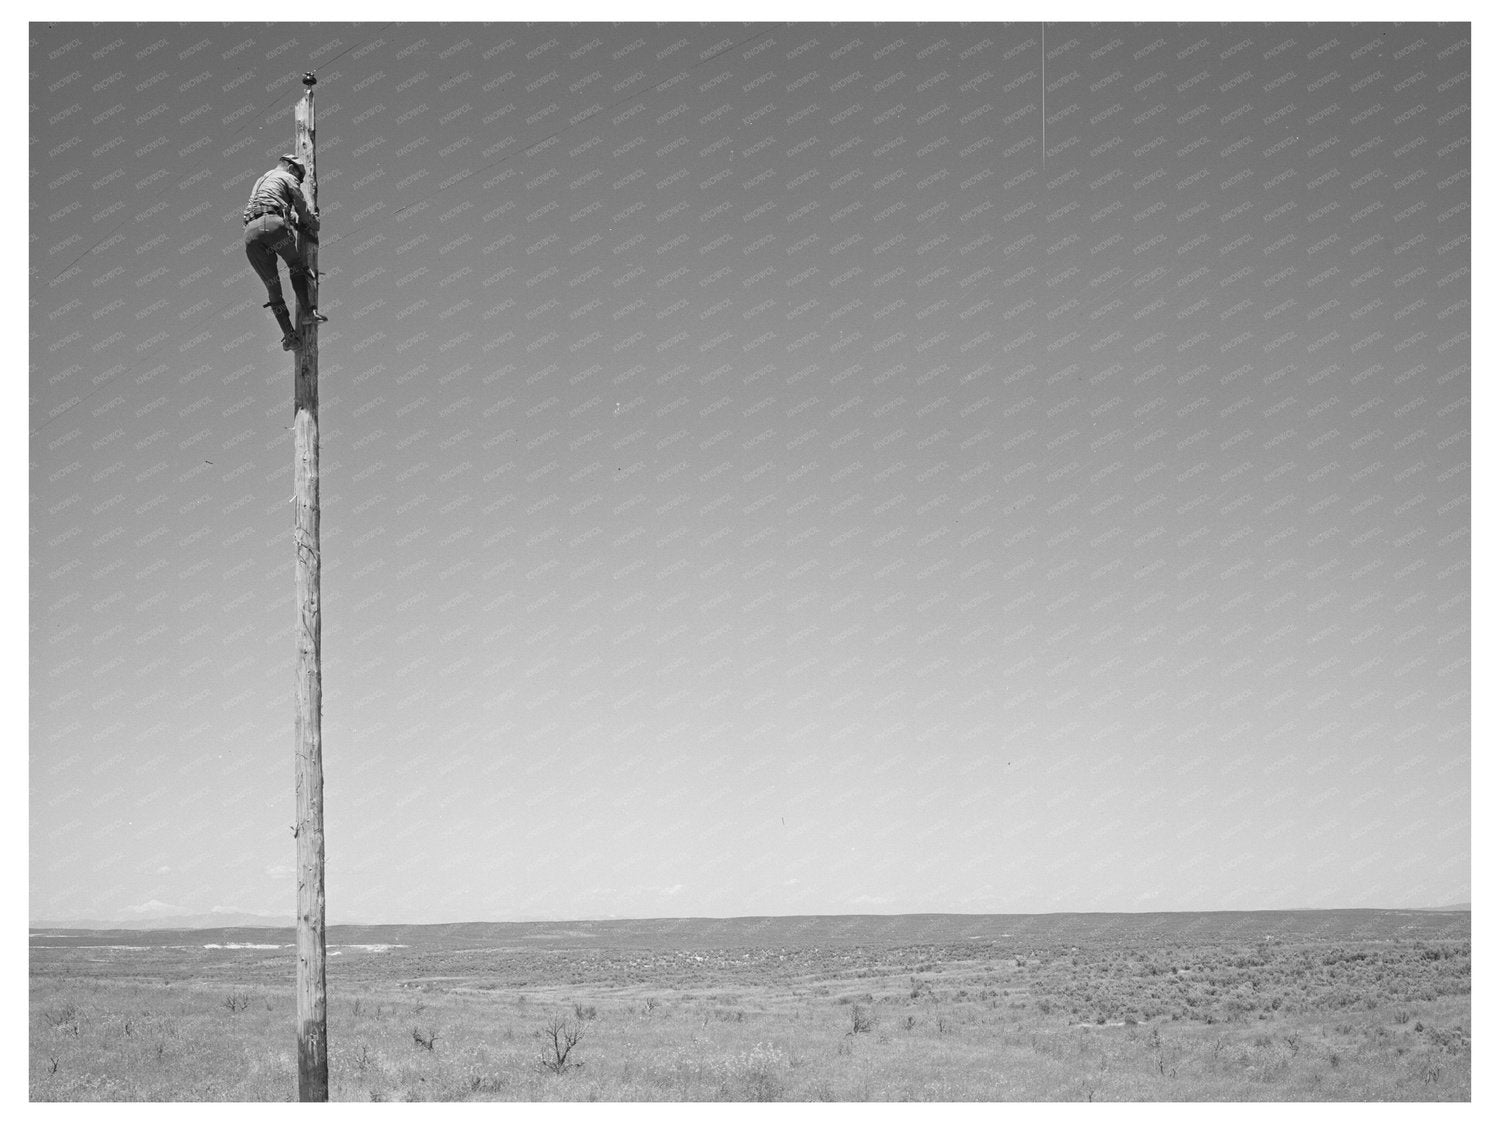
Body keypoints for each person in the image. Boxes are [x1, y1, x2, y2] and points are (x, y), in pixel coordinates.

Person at [243, 154, 328, 351]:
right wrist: (312, 222)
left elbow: (281, 208)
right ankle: (309, 312)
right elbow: (301, 207)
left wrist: (295, 222)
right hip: (272, 225)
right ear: (291, 169)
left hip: (250, 234)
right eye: (299, 177)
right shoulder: (288, 178)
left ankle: (290, 335)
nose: (299, 181)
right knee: (296, 265)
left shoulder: (262, 180)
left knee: (273, 289)